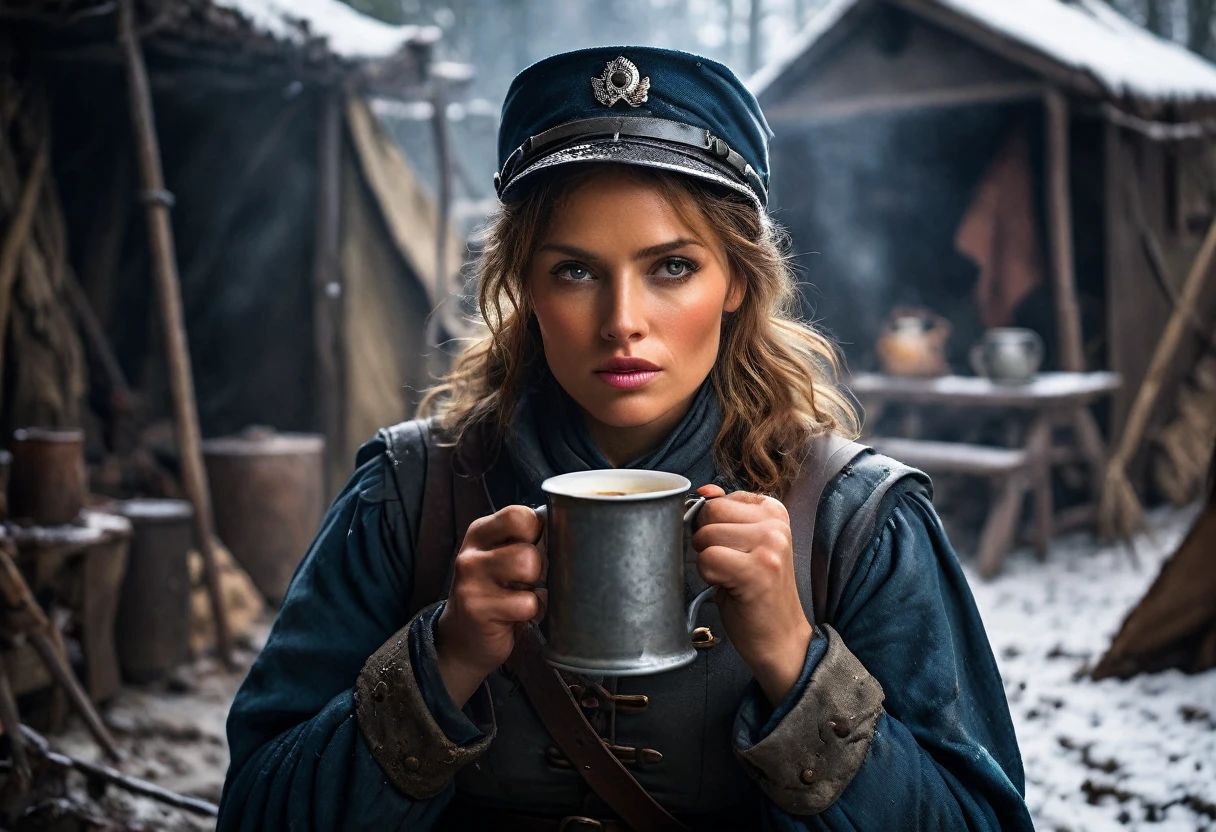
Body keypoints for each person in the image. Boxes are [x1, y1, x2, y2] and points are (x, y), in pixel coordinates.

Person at [218, 46, 1034, 831]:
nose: (622, 324)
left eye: (672, 266)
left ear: (738, 282)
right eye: (574, 270)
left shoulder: (857, 522)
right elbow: (256, 810)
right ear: (524, 287)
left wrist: (795, 658)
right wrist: (444, 658)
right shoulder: (407, 496)